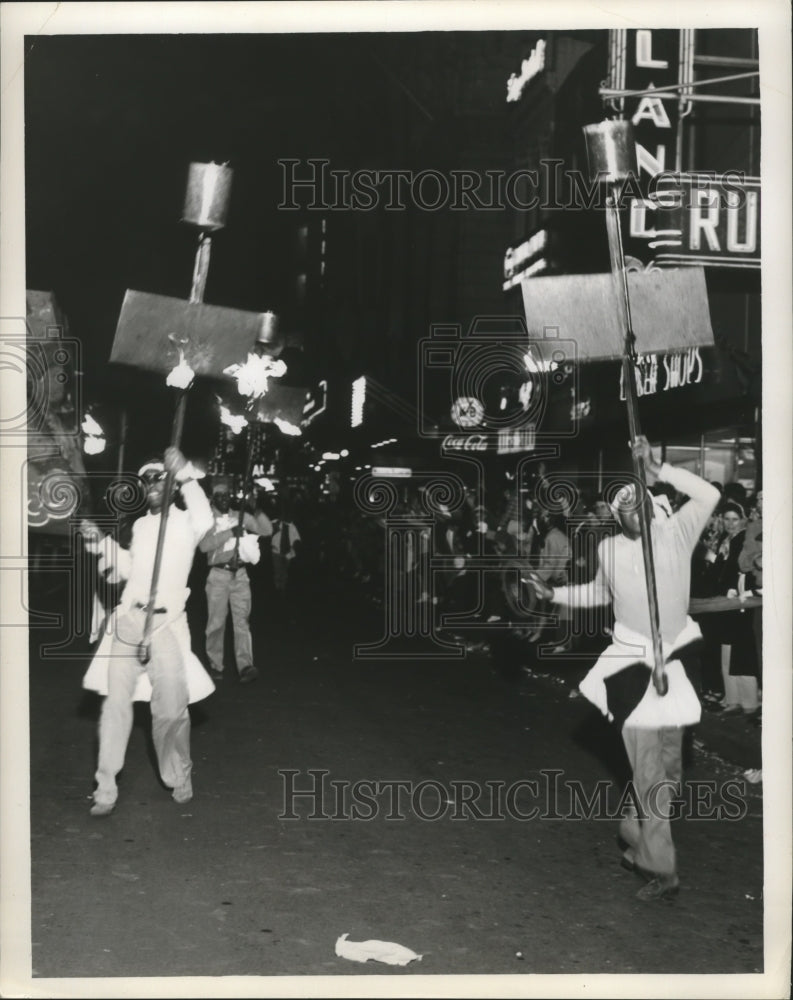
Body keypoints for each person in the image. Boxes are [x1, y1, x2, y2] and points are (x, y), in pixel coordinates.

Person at [526, 437, 719, 902]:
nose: (632, 508)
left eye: (638, 499)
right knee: (651, 771)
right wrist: (555, 597)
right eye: (622, 505)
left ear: (653, 505)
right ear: (617, 516)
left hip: (674, 664)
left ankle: (636, 835)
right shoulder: (610, 549)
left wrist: (660, 468)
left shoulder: (678, 533)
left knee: (668, 771)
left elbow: (710, 495)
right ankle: (661, 867)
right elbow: (598, 594)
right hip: (631, 668)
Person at [81, 447, 215, 816]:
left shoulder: (189, 521)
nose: (152, 484)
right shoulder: (139, 526)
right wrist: (101, 543)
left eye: (159, 477)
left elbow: (206, 517)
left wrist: (185, 471)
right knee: (115, 707)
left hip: (167, 625)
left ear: (171, 485)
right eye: (146, 480)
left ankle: (178, 773)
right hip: (129, 620)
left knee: (172, 709)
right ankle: (105, 788)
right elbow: (128, 569)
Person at [199, 478, 273, 684]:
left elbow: (266, 531)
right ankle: (216, 664)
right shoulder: (206, 520)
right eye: (219, 496)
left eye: (226, 495)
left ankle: (245, 665)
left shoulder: (240, 516)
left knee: (242, 622)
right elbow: (204, 546)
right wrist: (229, 533)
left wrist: (254, 508)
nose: (223, 499)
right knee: (216, 624)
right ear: (213, 499)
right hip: (218, 577)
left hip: (240, 575)